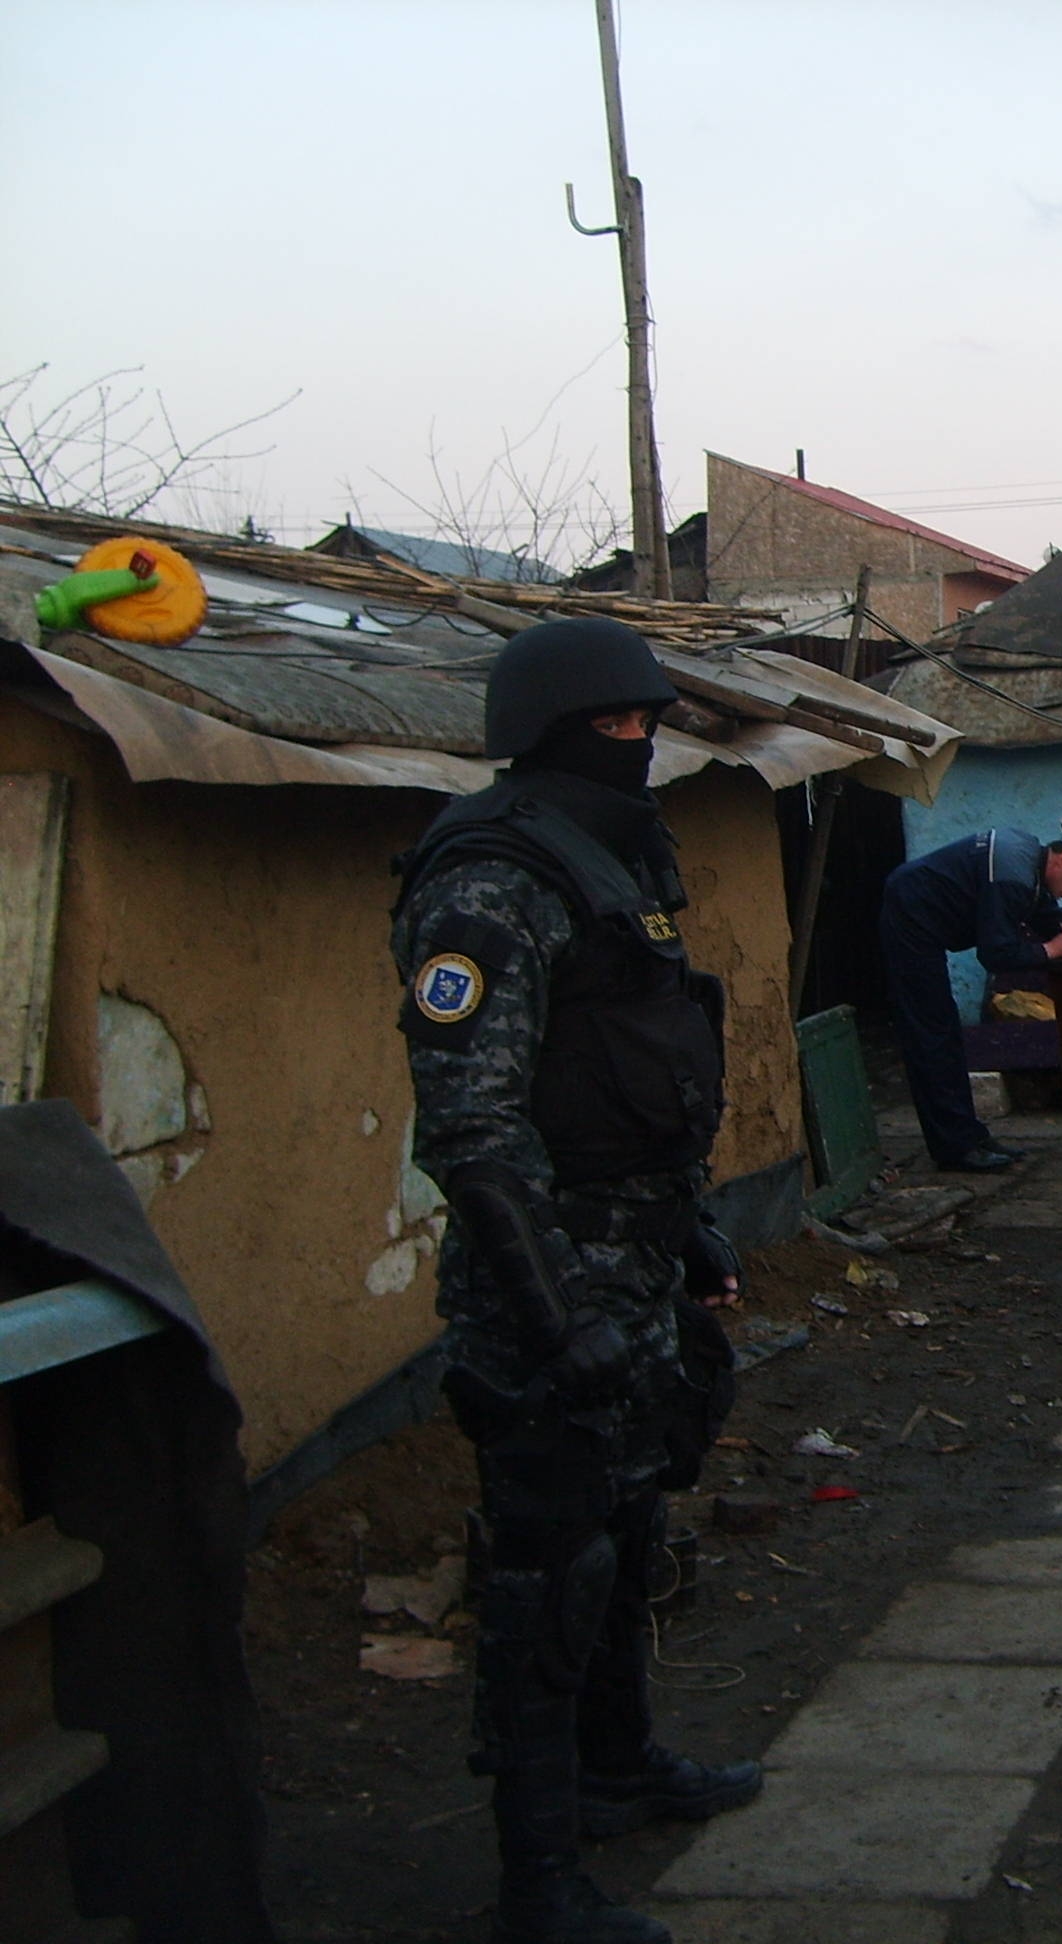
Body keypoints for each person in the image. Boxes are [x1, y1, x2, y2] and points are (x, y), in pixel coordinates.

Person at [392, 617, 764, 1944]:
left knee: (631, 1532)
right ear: (550, 729)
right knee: (546, 1574)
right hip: (543, 1285)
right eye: (617, 725)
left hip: (639, 1256)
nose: (641, 744)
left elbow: (640, 1063)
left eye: (647, 723)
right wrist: (556, 1320)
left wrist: (693, 1236)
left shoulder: (614, 858)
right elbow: (474, 1134)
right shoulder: (485, 883)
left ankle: (619, 1768)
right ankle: (536, 1877)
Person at [878, 822, 1062, 1172]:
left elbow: (1043, 912)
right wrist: (1049, 951)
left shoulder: (1029, 861)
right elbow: (996, 954)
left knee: (946, 1036)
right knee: (932, 1035)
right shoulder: (1012, 876)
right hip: (911, 918)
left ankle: (970, 1135)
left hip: (919, 910)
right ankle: (955, 1148)